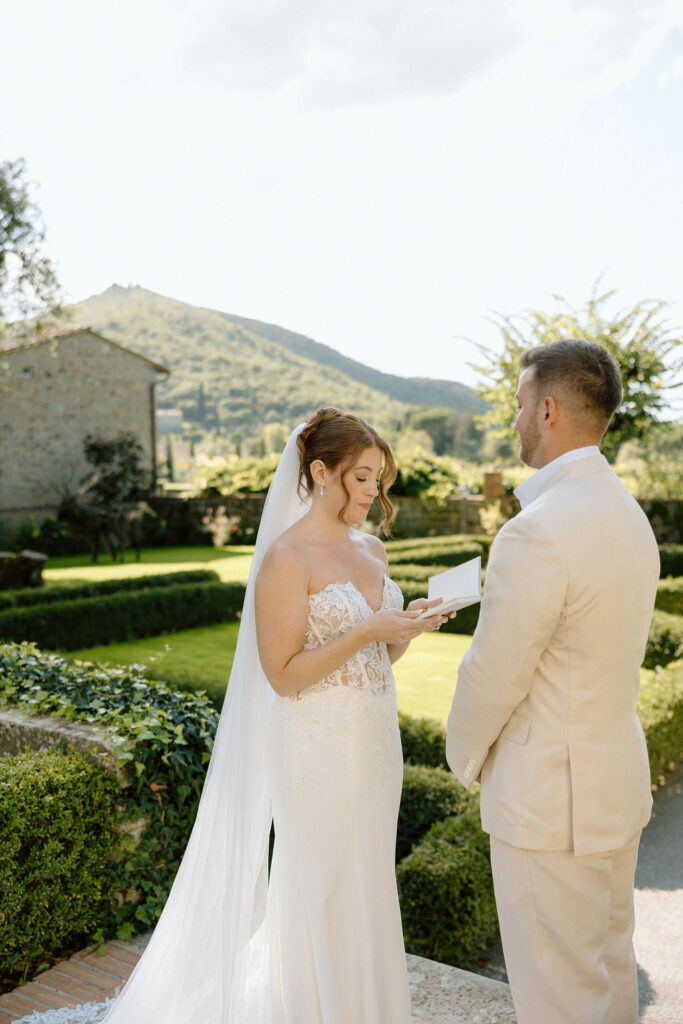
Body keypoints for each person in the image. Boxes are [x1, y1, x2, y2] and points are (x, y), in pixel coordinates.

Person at [96, 406, 446, 1024]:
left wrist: (407, 627)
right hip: (314, 744)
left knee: (365, 879)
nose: (374, 492)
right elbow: (282, 674)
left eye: (378, 479)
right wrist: (369, 627)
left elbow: (375, 661)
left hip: (373, 743)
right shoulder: (286, 558)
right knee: (320, 881)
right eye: (362, 477)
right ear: (320, 470)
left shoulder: (372, 551)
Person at [446, 339, 660, 1024]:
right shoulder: (629, 516)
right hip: (612, 787)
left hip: (546, 805)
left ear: (545, 409)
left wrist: (463, 757)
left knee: (556, 1001)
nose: (512, 422)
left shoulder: (535, 530)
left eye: (516, 406)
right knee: (607, 977)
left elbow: (493, 674)